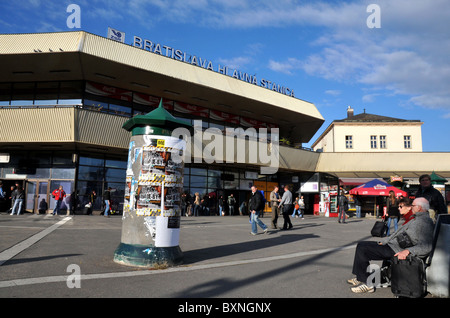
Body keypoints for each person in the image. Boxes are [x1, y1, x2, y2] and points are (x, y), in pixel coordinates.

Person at [347, 197, 434, 293]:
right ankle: (360, 276)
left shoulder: (425, 223)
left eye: (413, 205)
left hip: (397, 250)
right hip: (393, 246)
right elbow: (398, 234)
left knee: (363, 249)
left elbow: (427, 246)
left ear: (419, 208)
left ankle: (367, 283)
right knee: (361, 245)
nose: (411, 207)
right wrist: (384, 241)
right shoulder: (417, 219)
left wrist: (408, 251)